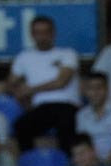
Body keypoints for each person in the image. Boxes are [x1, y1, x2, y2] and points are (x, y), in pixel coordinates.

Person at [8, 15, 80, 151]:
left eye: (46, 32)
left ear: (53, 33)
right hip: (41, 107)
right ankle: (30, 165)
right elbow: (11, 83)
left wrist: (31, 89)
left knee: (66, 126)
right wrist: (22, 98)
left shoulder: (67, 53)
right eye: (38, 33)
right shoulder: (24, 57)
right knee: (21, 126)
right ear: (32, 35)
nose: (42, 36)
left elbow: (61, 82)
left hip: (67, 105)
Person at [75, 72, 111, 165]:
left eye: (99, 88)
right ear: (86, 91)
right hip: (89, 162)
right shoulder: (81, 115)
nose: (95, 92)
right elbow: (82, 144)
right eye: (90, 88)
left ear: (107, 89)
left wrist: (106, 165)